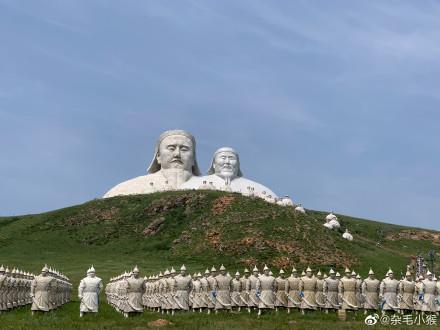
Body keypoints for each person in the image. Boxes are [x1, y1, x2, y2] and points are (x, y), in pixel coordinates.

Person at [104, 130, 201, 197]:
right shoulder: (124, 189)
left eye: (184, 149)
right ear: (158, 156)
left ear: (193, 159)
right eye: (171, 148)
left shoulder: (211, 185)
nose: (177, 154)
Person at [180, 147, 278, 200]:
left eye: (231, 158)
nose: (227, 162)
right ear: (214, 164)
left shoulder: (259, 188)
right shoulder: (193, 183)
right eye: (223, 158)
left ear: (238, 164)